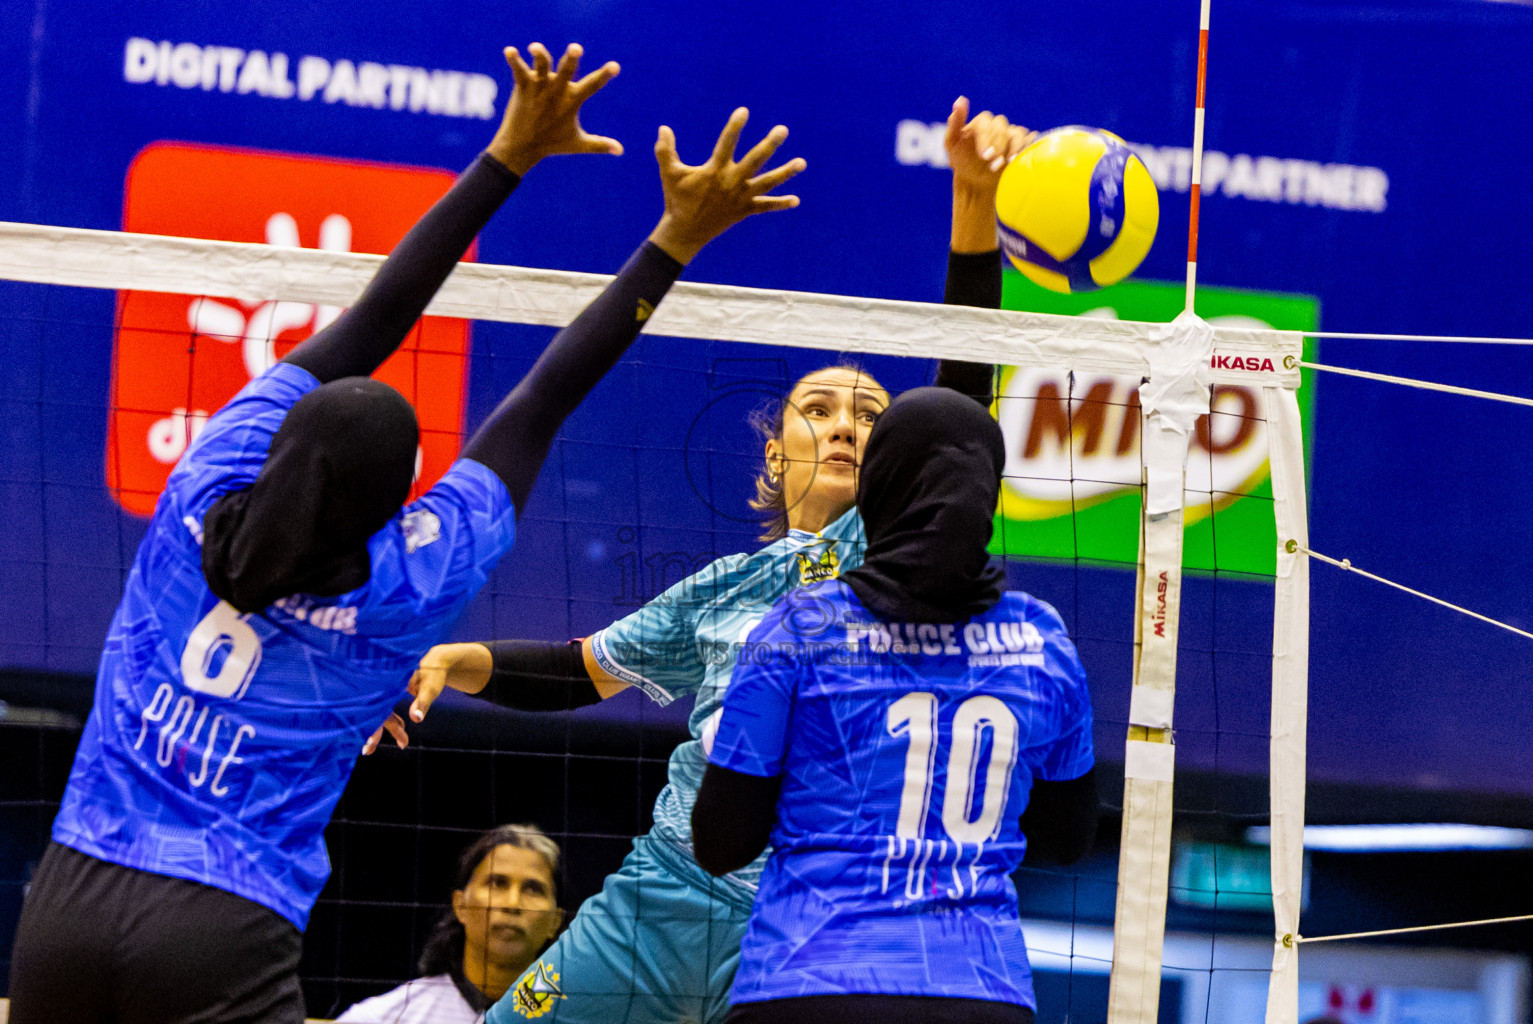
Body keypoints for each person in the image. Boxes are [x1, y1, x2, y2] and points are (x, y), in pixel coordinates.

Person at [6, 38, 805, 1024]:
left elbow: (377, 314)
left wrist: (503, 153)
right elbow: (543, 399)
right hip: (222, 922)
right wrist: (672, 239)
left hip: (72, 894)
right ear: (393, 503)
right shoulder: (403, 589)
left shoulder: (198, 490)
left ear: (284, 444)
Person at [376, 100, 1039, 1024]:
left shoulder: (898, 556)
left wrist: (974, 202)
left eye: (870, 416)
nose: (847, 424)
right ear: (774, 455)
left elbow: (963, 390)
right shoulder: (722, 589)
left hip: (803, 919)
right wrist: (455, 662)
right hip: (662, 896)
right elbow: (580, 671)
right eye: (819, 410)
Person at [691, 386, 1099, 1024]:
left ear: (879, 486)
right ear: (986, 489)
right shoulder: (1042, 641)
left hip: (807, 985)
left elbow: (721, 843)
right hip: (981, 993)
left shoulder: (799, 629)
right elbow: (1067, 841)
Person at [337, 825, 564, 1024]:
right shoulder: (386, 1017)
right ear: (460, 906)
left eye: (533, 889)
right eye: (496, 883)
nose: (513, 904)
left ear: (556, 921)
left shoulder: (581, 1015)